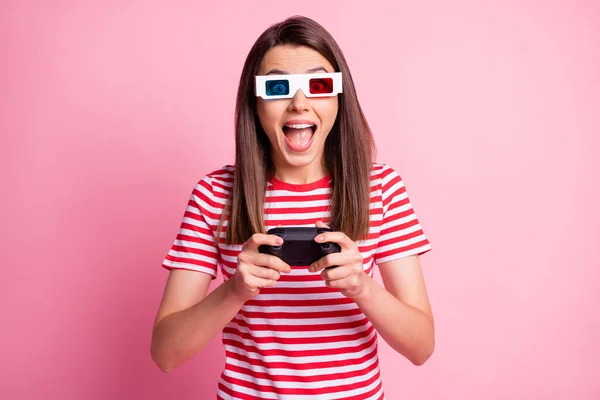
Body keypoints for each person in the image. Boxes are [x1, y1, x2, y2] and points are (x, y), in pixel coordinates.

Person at [151, 15, 434, 399]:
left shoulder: (380, 189)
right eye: (279, 87)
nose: (299, 103)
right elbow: (165, 354)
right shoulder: (215, 195)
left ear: (338, 98)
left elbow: (421, 347)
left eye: (318, 85)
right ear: (255, 102)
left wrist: (361, 287)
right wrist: (236, 289)